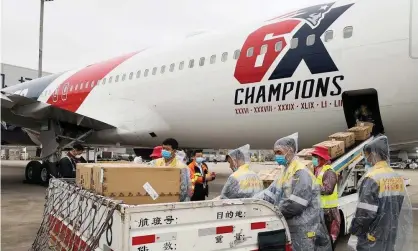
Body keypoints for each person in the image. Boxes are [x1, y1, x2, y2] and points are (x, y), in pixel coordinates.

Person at [255, 133, 332, 251]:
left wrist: (274, 212)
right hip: (292, 227)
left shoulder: (300, 173)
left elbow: (296, 204)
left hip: (305, 229)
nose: (276, 156)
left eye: (279, 152)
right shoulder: (285, 172)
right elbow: (270, 192)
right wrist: (254, 201)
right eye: (275, 153)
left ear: (290, 151)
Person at [348, 135, 413, 251]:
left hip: (372, 239)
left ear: (374, 154)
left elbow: (365, 214)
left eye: (367, 155)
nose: (366, 159)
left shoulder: (371, 178)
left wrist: (354, 230)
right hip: (390, 236)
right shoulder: (397, 177)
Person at [311, 146, 341, 247]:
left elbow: (328, 189)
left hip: (329, 213)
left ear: (323, 159)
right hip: (320, 210)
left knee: (329, 240)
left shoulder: (329, 172)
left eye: (315, 157)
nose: (313, 159)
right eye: (313, 157)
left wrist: (311, 187)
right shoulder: (317, 170)